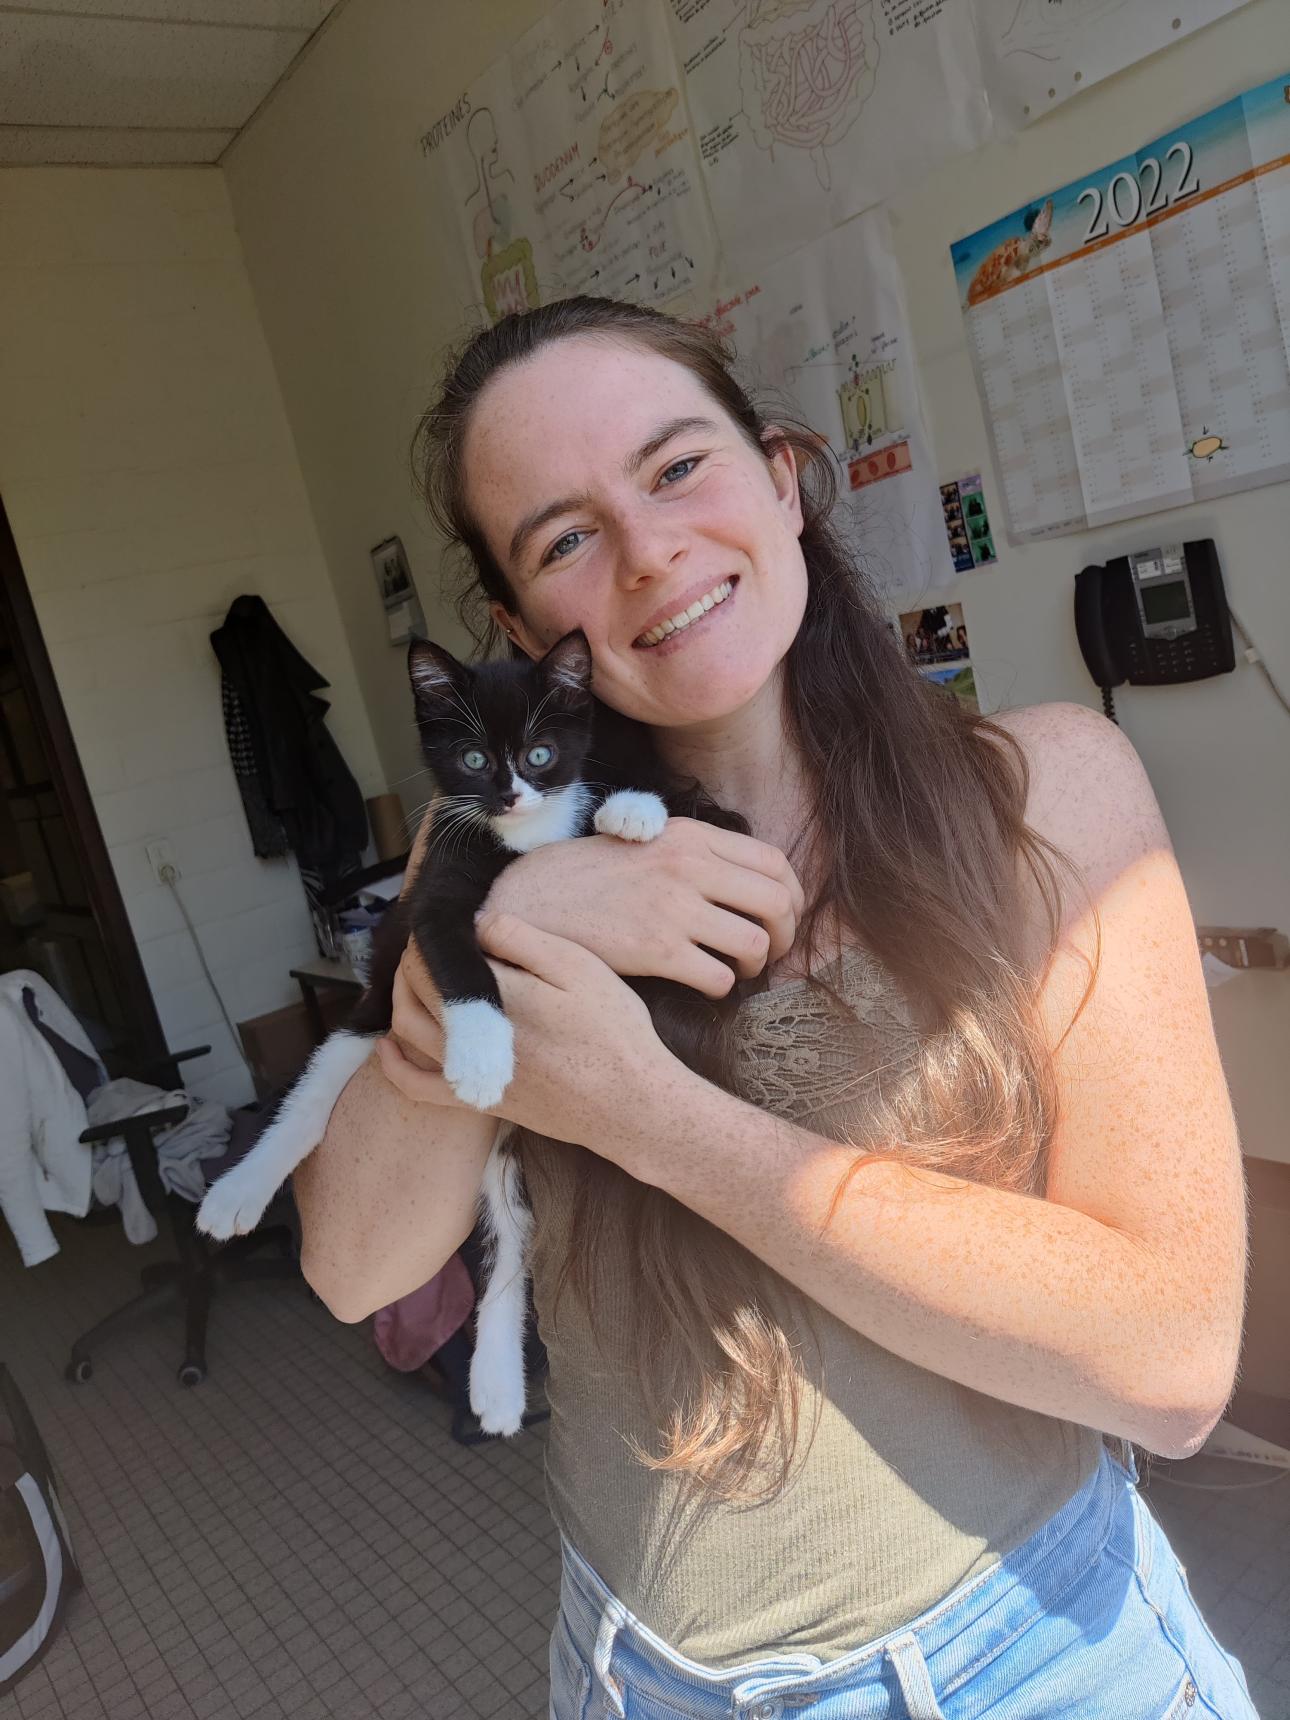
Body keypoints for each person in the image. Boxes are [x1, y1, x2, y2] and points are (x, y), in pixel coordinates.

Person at [293, 298, 1256, 1719]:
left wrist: (651, 1116)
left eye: (677, 469)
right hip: (638, 1672)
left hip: (1041, 1658)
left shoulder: (1043, 793)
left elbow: (1170, 1361)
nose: (647, 552)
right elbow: (352, 1271)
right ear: (518, 628)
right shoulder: (497, 867)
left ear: (781, 480)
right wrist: (478, 948)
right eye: (565, 538)